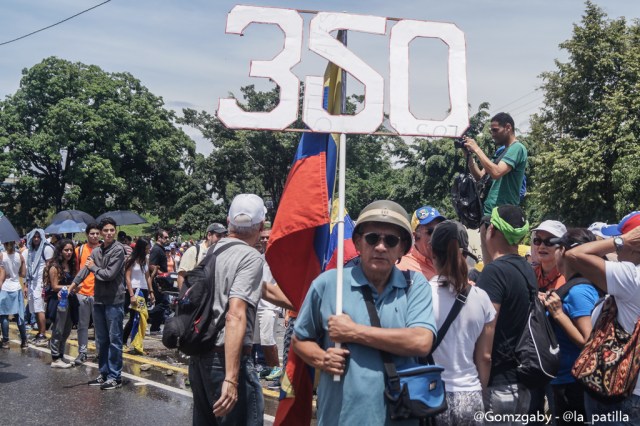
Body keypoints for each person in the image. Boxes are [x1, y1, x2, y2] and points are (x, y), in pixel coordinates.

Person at [293, 200, 437, 425]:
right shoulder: (328, 284)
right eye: (372, 238)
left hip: (399, 417)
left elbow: (421, 341)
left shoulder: (414, 285)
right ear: (358, 242)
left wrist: (354, 332)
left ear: (402, 248)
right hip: (340, 418)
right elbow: (300, 340)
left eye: (391, 240)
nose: (381, 247)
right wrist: (322, 358)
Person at [189, 194, 266, 425]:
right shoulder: (251, 256)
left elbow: (260, 289)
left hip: (200, 355)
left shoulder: (213, 251)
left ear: (228, 221)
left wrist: (300, 302)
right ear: (261, 226)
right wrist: (232, 379)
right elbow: (235, 314)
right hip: (225, 361)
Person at [565, 211, 640, 423]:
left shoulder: (632, 277)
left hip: (621, 395)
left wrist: (620, 240)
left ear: (635, 244)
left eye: (619, 238)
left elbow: (574, 255)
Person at [429, 220, 496, 425]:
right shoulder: (482, 298)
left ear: (432, 253)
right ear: (466, 255)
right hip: (470, 394)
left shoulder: (421, 296)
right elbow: (485, 357)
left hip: (432, 394)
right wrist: (479, 389)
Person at [475, 205, 533, 422]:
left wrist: (480, 385)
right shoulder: (526, 268)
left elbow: (486, 335)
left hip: (498, 382)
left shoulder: (494, 272)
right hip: (523, 379)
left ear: (491, 230)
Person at [541, 229, 601, 425]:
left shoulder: (579, 291)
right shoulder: (574, 287)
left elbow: (588, 341)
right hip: (566, 381)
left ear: (567, 253)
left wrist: (557, 313)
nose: (555, 252)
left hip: (573, 384)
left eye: (558, 247)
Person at [463, 112, 528, 264]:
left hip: (504, 218)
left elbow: (497, 172)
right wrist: (469, 155)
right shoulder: (501, 152)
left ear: (508, 127)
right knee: (489, 268)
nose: (492, 134)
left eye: (495, 130)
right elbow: (480, 176)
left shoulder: (517, 148)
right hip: (488, 215)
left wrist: (477, 148)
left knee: (501, 266)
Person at [69, 217, 126, 390]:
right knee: (101, 340)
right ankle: (104, 373)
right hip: (99, 300)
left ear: (115, 231)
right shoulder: (97, 251)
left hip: (114, 300)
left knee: (115, 339)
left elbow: (108, 274)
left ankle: (115, 376)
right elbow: (85, 269)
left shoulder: (118, 250)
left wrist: (94, 268)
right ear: (101, 232)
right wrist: (73, 284)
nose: (109, 233)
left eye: (111, 230)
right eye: (106, 230)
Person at [48, 239, 78, 368]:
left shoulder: (71, 266)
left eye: (71, 250)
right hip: (59, 301)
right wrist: (70, 287)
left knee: (66, 330)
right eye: (66, 250)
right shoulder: (54, 267)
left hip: (70, 301)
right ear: (60, 251)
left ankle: (61, 354)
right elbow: (54, 286)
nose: (69, 252)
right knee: (58, 330)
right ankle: (55, 358)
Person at [74, 222, 100, 365]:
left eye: (97, 233)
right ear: (87, 235)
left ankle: (99, 352)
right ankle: (82, 352)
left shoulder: (103, 250)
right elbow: (76, 269)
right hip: (82, 292)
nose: (95, 236)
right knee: (82, 325)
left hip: (98, 293)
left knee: (99, 325)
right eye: (92, 233)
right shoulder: (80, 250)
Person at [397, 205, 445, 281]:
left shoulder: (448, 262)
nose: (437, 236)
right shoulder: (402, 268)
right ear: (415, 235)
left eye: (440, 231)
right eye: (431, 232)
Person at [123, 238, 154, 352]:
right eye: (146, 248)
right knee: (133, 318)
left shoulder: (145, 259)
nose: (148, 250)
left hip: (144, 290)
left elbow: (148, 277)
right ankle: (123, 340)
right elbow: (127, 277)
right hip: (134, 290)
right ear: (141, 248)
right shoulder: (131, 259)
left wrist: (151, 292)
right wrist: (131, 294)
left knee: (142, 318)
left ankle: (137, 344)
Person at [24, 228, 54, 346]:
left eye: (38, 237)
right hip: (32, 283)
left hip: (40, 284)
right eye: (34, 237)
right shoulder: (31, 250)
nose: (36, 239)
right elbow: (29, 269)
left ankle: (43, 333)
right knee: (34, 309)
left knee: (40, 308)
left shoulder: (46, 249)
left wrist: (45, 285)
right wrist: (26, 285)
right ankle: (39, 332)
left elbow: (49, 268)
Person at [177, 223, 227, 290]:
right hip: (194, 297)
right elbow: (181, 276)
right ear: (209, 235)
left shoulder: (222, 253)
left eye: (224, 236)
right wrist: (184, 298)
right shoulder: (194, 251)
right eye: (218, 236)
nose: (222, 239)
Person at [0, 240, 28, 349]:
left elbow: (1, 274)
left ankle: (6, 341)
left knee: (4, 316)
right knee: (19, 315)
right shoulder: (20, 256)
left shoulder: (2, 256)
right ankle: (24, 340)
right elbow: (23, 274)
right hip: (16, 287)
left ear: (5, 244)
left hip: (5, 288)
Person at [531, 220, 567, 292]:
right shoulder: (530, 274)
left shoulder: (569, 278)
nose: (541, 246)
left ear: (562, 245)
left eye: (549, 241)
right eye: (538, 240)